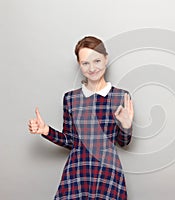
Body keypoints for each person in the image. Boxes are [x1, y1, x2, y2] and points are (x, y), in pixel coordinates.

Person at [28, 36, 134, 200]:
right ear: (79, 64)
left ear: (106, 59)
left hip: (107, 171)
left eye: (97, 61)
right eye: (85, 63)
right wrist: (46, 130)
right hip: (77, 170)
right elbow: (71, 141)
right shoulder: (71, 98)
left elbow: (123, 142)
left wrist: (126, 126)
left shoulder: (121, 96)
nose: (92, 68)